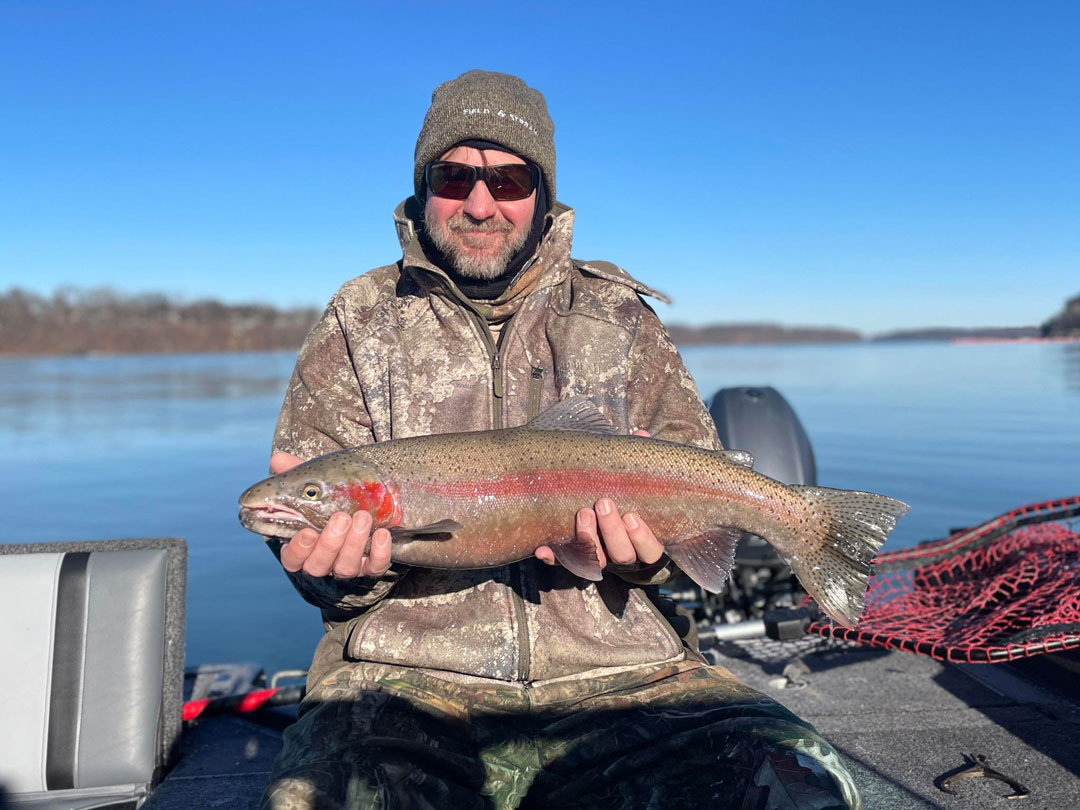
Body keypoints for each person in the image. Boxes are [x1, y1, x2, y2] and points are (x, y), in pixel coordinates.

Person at [261, 70, 861, 810]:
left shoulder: (622, 318)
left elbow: (690, 539)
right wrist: (338, 573)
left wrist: (652, 560)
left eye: (509, 179)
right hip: (405, 691)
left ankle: (813, 523)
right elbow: (317, 577)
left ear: (542, 193)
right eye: (455, 176)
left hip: (629, 676)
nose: (481, 204)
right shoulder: (359, 320)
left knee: (802, 791)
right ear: (423, 186)